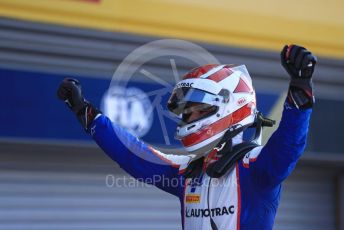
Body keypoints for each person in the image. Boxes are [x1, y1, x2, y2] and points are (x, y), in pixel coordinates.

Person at [57, 45, 317, 230]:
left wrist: (300, 88)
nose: (187, 119)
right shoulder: (188, 173)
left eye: (195, 111)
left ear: (228, 108)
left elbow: (289, 146)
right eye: (186, 113)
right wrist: (87, 113)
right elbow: (133, 155)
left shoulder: (256, 167)